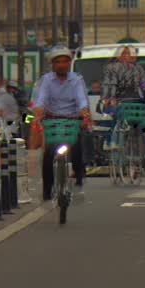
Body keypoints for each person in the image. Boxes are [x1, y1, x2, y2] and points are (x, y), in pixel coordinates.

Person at [30, 47, 92, 200]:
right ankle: (47, 189)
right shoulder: (46, 80)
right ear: (53, 64)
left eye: (65, 62)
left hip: (72, 120)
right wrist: (37, 116)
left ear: (69, 63)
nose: (62, 65)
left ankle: (79, 175)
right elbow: (41, 101)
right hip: (52, 121)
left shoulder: (76, 80)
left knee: (77, 146)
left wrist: (85, 116)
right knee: (48, 154)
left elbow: (82, 101)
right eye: (58, 62)